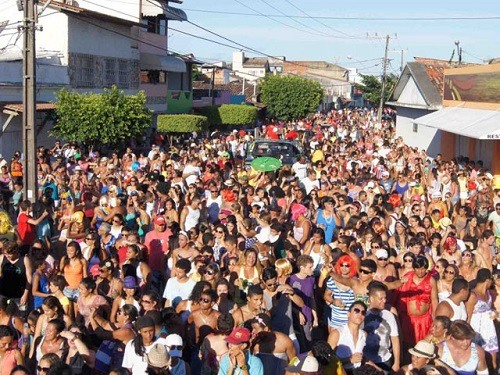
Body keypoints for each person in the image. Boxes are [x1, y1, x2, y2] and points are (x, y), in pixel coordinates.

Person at [397, 255, 438, 350]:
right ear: (414, 268)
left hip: (424, 320)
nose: (420, 271)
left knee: (423, 346)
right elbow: (399, 295)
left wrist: (435, 317)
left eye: (423, 269)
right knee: (407, 347)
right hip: (408, 320)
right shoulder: (407, 278)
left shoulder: (431, 280)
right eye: (418, 268)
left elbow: (434, 299)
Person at [363, 282, 400, 373]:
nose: (384, 300)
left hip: (385, 360)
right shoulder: (363, 315)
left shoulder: (389, 316)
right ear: (371, 298)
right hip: (366, 361)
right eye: (381, 298)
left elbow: (395, 339)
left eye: (385, 298)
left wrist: (397, 362)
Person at [465, 268, 498, 370]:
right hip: (476, 330)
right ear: (487, 280)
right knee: (477, 357)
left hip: (488, 329)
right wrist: (467, 334)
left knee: (493, 356)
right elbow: (468, 316)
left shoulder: (488, 293)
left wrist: (495, 313)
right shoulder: (473, 295)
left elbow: (490, 308)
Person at [327, 301, 367, 373]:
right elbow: (327, 359)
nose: (360, 314)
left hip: (360, 371)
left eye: (363, 312)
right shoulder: (337, 333)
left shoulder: (364, 335)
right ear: (348, 314)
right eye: (356, 311)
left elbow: (365, 358)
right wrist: (349, 360)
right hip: (341, 371)